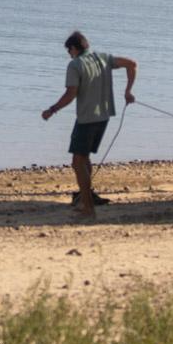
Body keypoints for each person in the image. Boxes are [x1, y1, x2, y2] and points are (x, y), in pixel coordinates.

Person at [41, 31, 136, 219]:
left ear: (74, 49)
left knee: (77, 162)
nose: (69, 55)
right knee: (84, 158)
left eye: (69, 51)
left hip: (86, 119)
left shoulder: (75, 65)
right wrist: (128, 91)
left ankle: (88, 209)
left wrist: (52, 110)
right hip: (104, 116)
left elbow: (71, 94)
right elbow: (132, 64)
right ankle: (88, 197)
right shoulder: (103, 58)